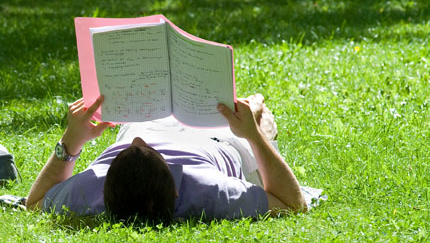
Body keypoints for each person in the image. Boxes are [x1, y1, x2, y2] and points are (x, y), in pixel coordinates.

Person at [26, 94, 310, 222]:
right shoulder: (211, 191)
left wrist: (72, 139)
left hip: (145, 122)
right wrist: (254, 136)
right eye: (150, 150)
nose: (140, 144)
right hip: (217, 141)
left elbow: (34, 202)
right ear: (177, 187)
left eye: (126, 152)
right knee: (258, 110)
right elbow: (294, 205)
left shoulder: (88, 190)